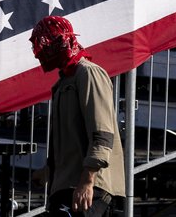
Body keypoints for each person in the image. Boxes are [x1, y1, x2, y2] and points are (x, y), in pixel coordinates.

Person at [30, 15, 123, 216]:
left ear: (64, 41)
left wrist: (88, 180)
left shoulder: (88, 73)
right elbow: (71, 140)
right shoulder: (63, 82)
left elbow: (102, 133)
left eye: (48, 43)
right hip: (67, 185)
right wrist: (48, 172)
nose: (42, 51)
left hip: (90, 186)